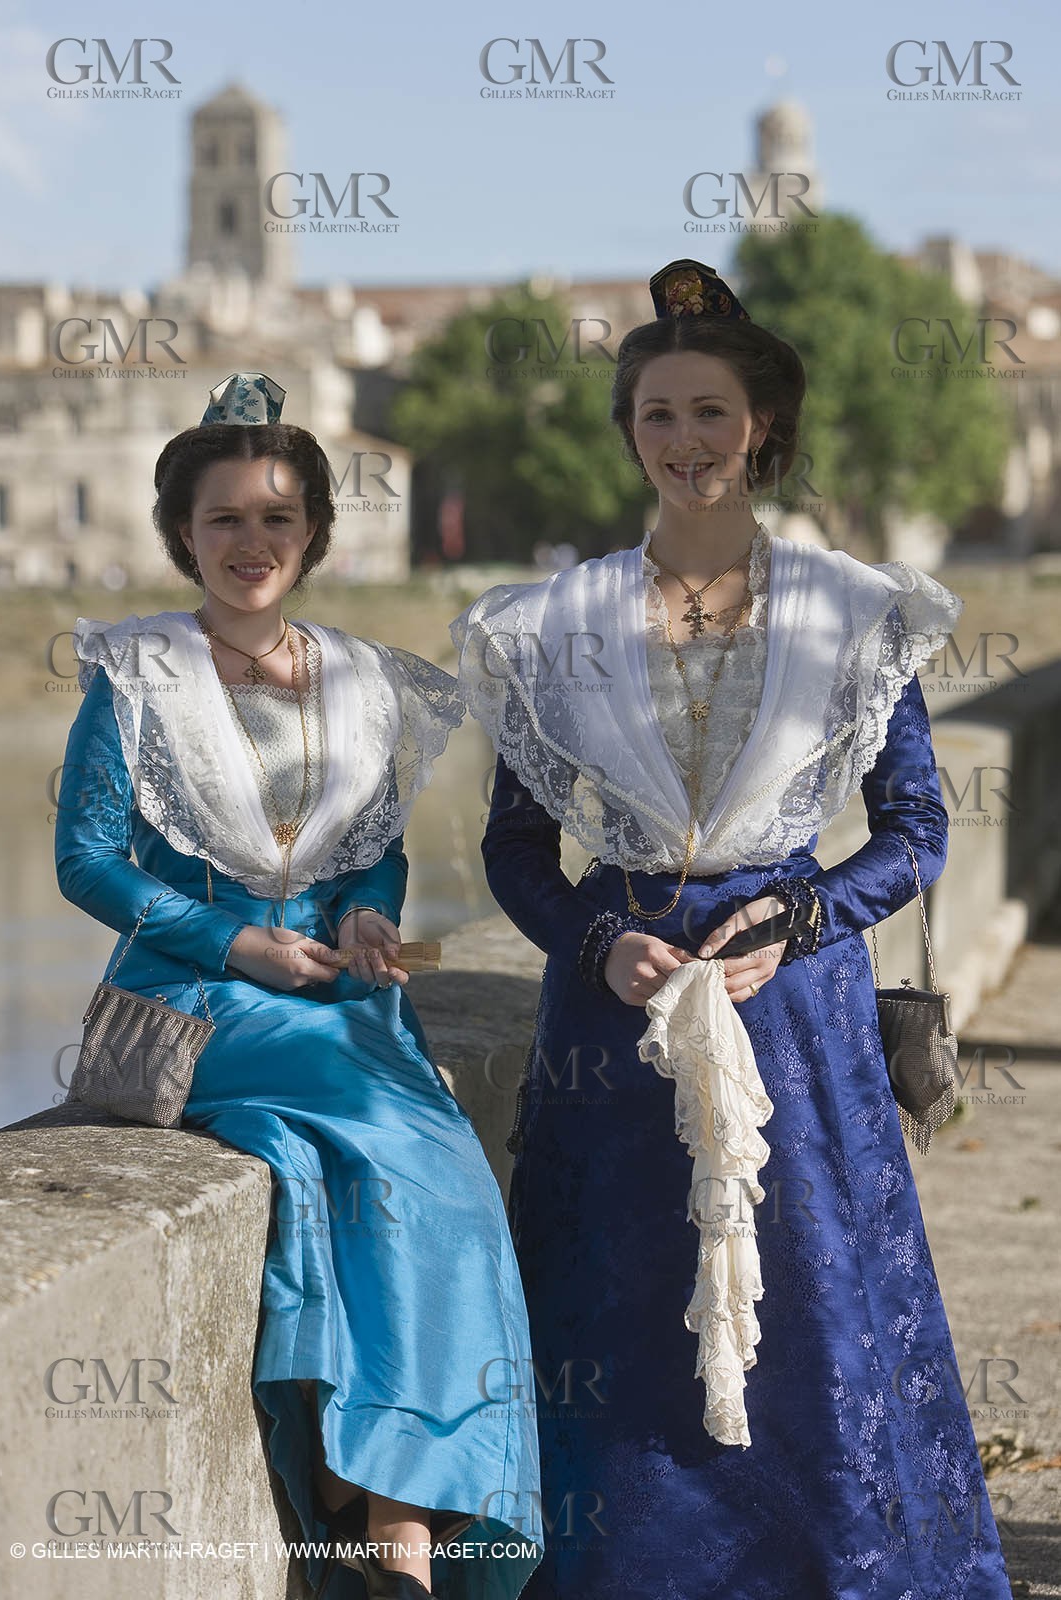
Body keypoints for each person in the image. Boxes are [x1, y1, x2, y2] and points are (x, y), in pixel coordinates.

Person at [449, 264, 1013, 1598]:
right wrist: (597, 944)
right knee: (622, 1311)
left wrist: (809, 913)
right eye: (656, 415)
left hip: (793, 1007)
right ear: (627, 433)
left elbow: (913, 832)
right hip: (615, 1023)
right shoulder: (555, 625)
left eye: (709, 412)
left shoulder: (850, 613)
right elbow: (516, 850)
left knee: (814, 1314)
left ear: (759, 425)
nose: (684, 441)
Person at [55, 373, 543, 1600]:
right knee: (391, 1142)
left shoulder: (357, 680)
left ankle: (380, 1500)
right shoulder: (137, 678)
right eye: (223, 520)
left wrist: (368, 911)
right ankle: (391, 1523)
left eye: (276, 518)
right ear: (182, 535)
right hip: (199, 994)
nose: (250, 543)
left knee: (446, 1188)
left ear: (313, 533)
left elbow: (374, 843)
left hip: (334, 987)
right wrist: (232, 942)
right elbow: (85, 860)